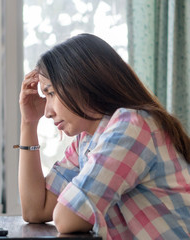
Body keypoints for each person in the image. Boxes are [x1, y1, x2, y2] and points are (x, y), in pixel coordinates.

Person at [16, 33, 190, 239]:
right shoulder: (87, 140)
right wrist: (29, 123)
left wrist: (71, 202)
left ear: (81, 82)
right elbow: (35, 210)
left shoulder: (131, 126)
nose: (47, 111)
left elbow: (66, 218)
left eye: (51, 93)